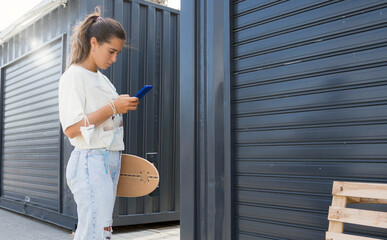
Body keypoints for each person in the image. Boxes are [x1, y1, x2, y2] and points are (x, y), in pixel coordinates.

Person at [58, 7, 139, 240]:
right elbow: (71, 129)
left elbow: (105, 120)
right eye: (111, 51)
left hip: (108, 160)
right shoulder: (73, 77)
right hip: (90, 160)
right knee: (96, 231)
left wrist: (121, 106)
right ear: (93, 43)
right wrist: (113, 107)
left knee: (100, 230)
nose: (114, 58)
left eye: (118, 53)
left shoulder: (102, 79)